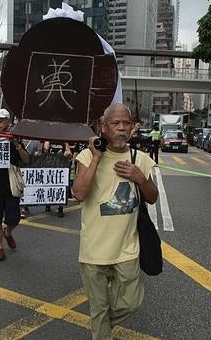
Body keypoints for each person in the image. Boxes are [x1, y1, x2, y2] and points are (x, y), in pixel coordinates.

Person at [72, 104, 158, 340]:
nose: (121, 128)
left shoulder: (139, 158)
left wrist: (139, 178)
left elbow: (152, 197)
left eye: (126, 123)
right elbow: (79, 193)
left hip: (127, 250)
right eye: (115, 123)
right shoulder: (88, 155)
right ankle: (101, 329)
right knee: (98, 309)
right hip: (93, 252)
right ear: (104, 127)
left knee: (131, 303)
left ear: (132, 127)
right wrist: (98, 158)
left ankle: (101, 326)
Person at [0, 108, 30, 261]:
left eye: (0, 121)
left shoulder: (14, 139)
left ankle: (8, 232)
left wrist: (17, 145)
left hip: (11, 183)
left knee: (14, 218)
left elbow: (26, 160)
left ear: (8, 123)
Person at [42, 140, 73, 218]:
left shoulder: (63, 142)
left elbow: (69, 154)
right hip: (50, 166)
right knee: (49, 186)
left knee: (60, 187)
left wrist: (65, 148)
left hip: (60, 167)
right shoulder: (49, 140)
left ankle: (60, 208)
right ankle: (48, 204)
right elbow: (45, 149)